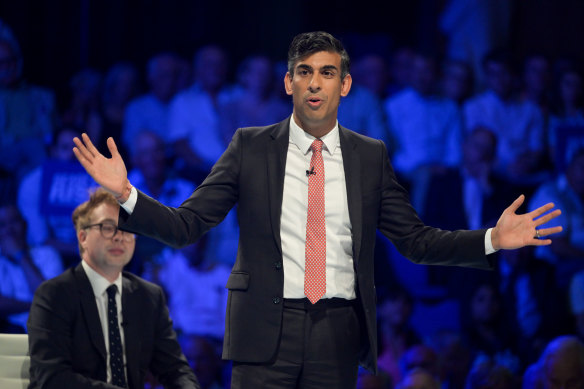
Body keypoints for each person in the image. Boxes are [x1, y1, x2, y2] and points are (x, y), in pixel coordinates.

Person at [73, 31, 563, 389]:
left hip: (336, 333)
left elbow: (418, 241)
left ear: (345, 85)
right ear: (288, 83)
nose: (314, 83)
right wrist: (126, 192)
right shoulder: (250, 146)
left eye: (327, 72)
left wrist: (492, 240)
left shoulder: (370, 156)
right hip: (264, 332)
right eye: (304, 72)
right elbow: (186, 226)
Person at [27, 188, 200, 389]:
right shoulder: (54, 295)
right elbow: (53, 378)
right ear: (83, 237)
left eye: (129, 230)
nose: (120, 237)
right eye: (108, 228)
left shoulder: (149, 297)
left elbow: (175, 370)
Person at [0, 203, 63, 333]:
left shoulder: (47, 255)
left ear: (25, 224)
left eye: (14, 222)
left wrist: (21, 256)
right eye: (2, 225)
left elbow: (49, 299)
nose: (9, 230)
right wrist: (33, 305)